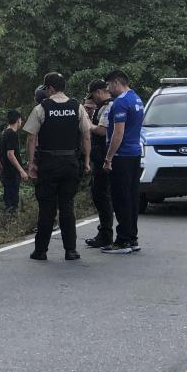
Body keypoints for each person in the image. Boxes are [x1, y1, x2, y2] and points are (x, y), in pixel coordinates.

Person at [24, 72, 91, 261]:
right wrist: (86, 161)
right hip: (70, 162)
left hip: (48, 163)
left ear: (50, 89)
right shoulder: (77, 107)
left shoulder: (41, 108)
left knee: (47, 208)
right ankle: (71, 250)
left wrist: (31, 163)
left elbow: (31, 137)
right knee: (67, 206)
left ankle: (41, 251)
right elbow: (86, 136)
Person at [101, 69, 145, 255]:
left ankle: (123, 240)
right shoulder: (136, 98)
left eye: (109, 85)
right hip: (134, 154)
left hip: (122, 156)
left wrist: (108, 158)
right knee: (132, 197)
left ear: (117, 82)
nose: (108, 90)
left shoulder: (120, 103)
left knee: (121, 199)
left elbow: (118, 134)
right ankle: (132, 237)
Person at [84, 79, 115, 248]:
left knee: (102, 196)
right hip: (101, 157)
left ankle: (106, 234)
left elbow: (103, 131)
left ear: (98, 92)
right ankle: (104, 232)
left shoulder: (108, 107)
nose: (93, 100)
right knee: (100, 195)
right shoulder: (105, 106)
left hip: (104, 156)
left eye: (93, 96)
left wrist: (89, 124)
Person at [0, 110, 29, 212]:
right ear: (18, 120)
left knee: (8, 198)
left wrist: (0, 166)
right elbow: (10, 154)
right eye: (20, 120)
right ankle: (11, 219)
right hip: (12, 172)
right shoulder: (12, 134)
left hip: (5, 171)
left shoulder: (4, 132)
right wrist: (21, 171)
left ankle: (8, 220)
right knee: (13, 201)